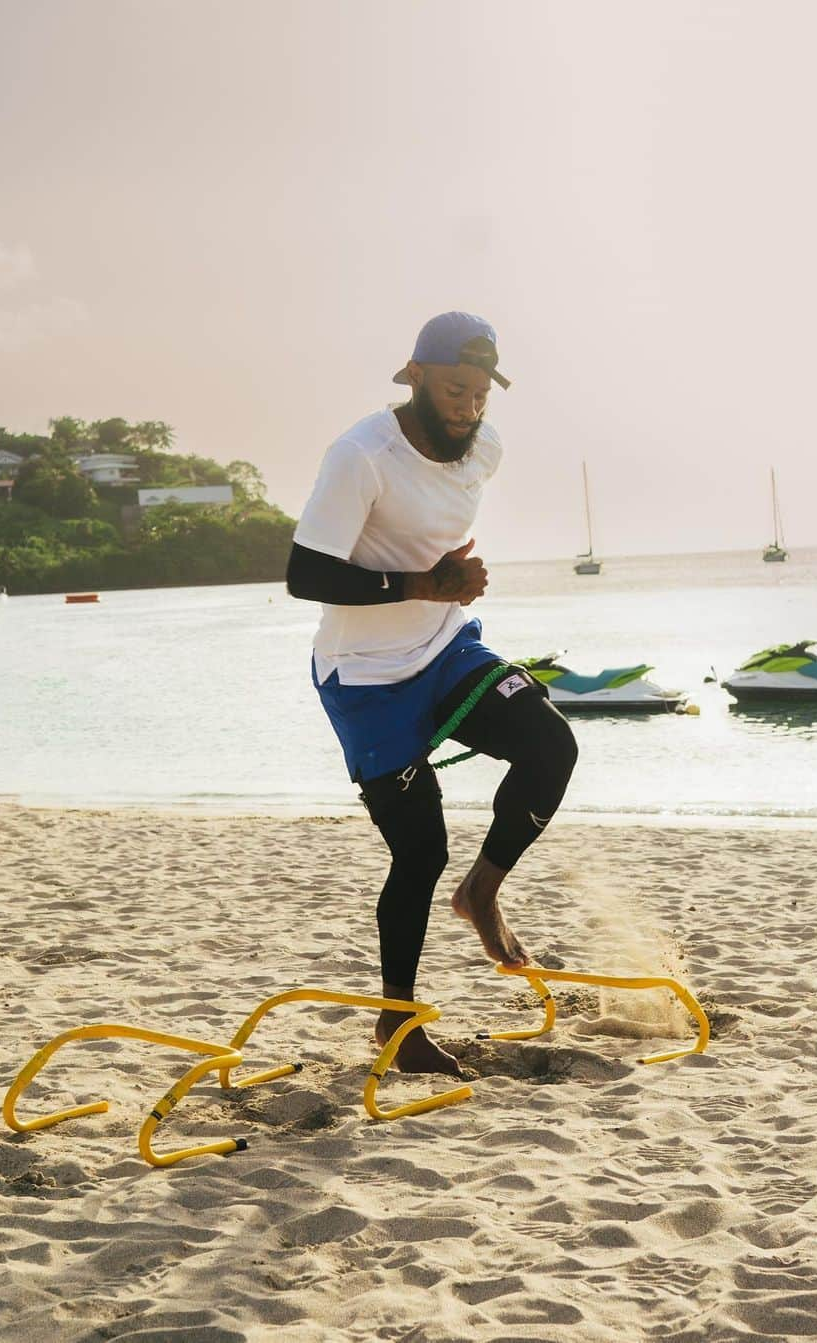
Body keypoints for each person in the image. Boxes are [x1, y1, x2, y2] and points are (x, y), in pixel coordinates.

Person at [286, 312, 578, 1077]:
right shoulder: (360, 456)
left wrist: (444, 580)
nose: (468, 408)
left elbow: (428, 530)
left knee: (552, 745)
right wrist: (418, 581)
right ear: (412, 376)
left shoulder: (487, 447)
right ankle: (398, 1026)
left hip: (446, 647)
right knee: (419, 849)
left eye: (481, 394)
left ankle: (481, 893)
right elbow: (305, 574)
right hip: (366, 678)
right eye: (455, 390)